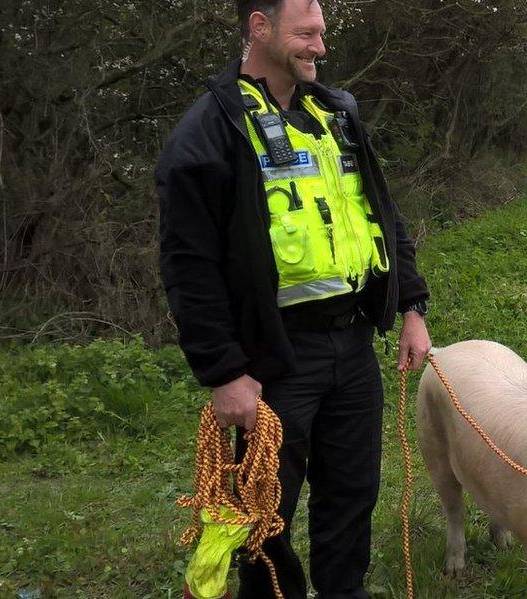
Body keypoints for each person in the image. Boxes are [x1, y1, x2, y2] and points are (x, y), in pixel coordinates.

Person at [156, 1, 431, 597]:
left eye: (322, 34)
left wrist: (412, 306)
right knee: (265, 513)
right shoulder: (210, 128)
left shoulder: (336, 113)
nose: (320, 48)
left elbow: (382, 214)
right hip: (274, 358)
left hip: (354, 348)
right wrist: (225, 371)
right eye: (306, 34)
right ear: (260, 27)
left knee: (354, 495)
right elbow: (188, 264)